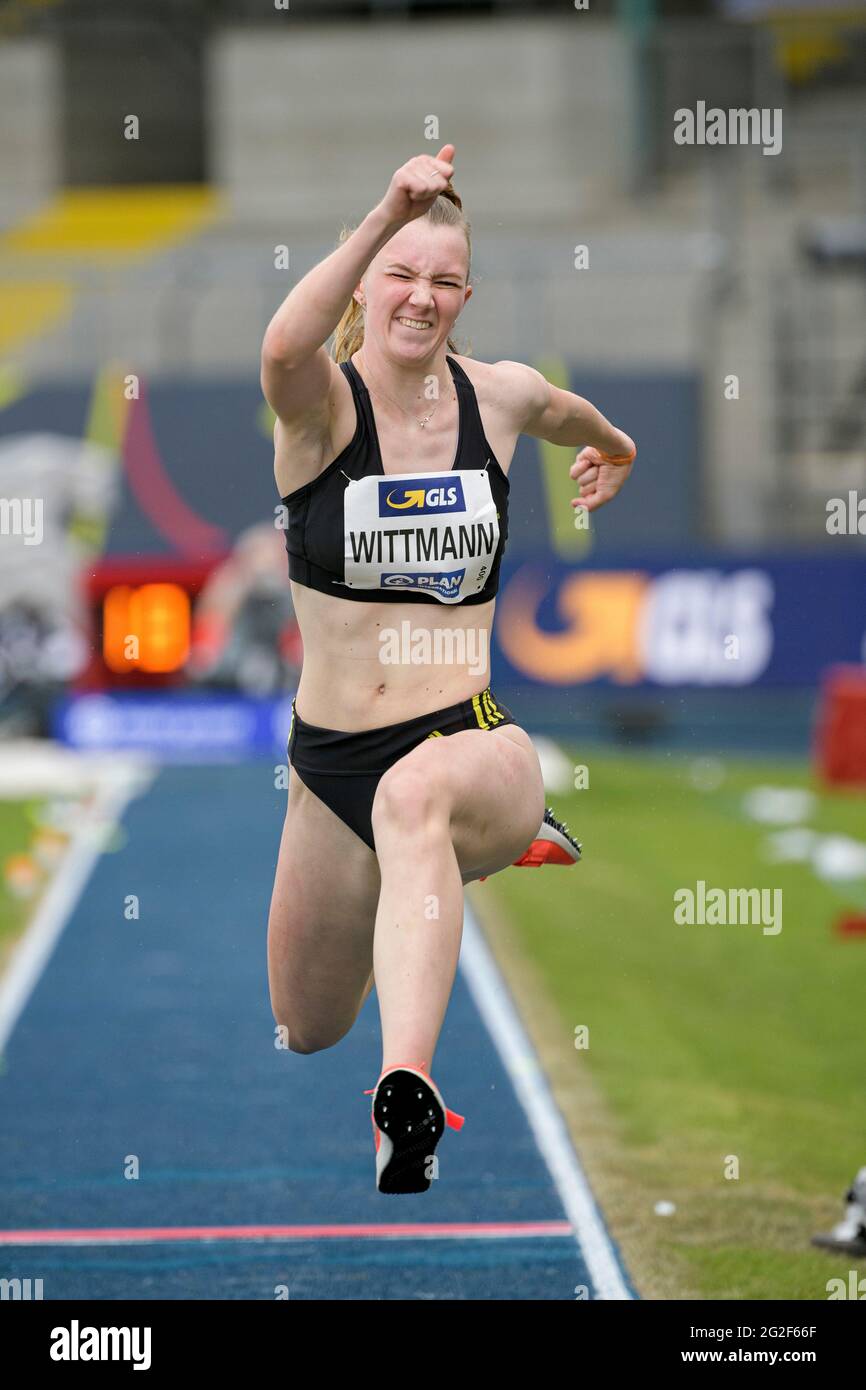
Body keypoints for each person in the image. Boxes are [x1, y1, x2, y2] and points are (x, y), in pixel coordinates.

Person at [260, 144, 635, 1193]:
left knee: (417, 794)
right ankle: (478, 851)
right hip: (331, 760)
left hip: (464, 734)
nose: (420, 298)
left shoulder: (497, 399)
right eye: (399, 273)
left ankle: (406, 1098)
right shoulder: (320, 410)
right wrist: (386, 207)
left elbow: (574, 418)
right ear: (366, 274)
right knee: (302, 1021)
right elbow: (283, 341)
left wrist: (619, 449)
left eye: (443, 281)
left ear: (464, 296)